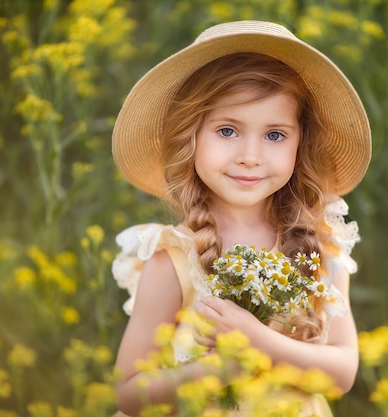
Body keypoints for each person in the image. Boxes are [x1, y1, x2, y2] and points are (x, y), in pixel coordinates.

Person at [111, 20, 371, 416]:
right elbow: (128, 392)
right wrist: (216, 370)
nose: (250, 155)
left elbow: (343, 372)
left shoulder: (319, 246)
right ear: (190, 136)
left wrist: (256, 342)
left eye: (274, 135)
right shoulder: (174, 257)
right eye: (228, 130)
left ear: (301, 145)